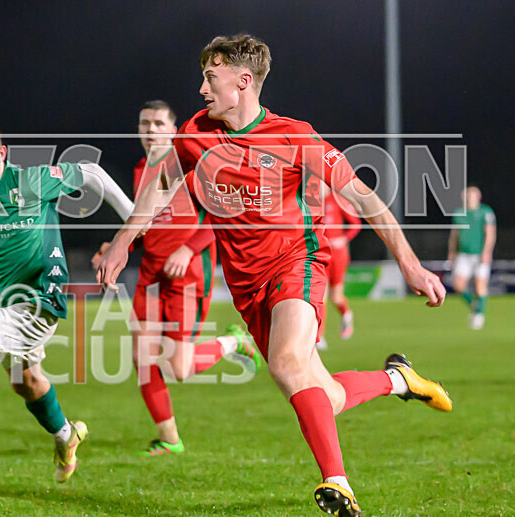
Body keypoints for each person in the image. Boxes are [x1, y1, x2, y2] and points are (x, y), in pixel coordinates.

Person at [97, 34, 451, 516]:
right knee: (324, 393)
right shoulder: (195, 133)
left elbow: (365, 198)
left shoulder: (295, 136)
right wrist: (122, 242)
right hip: (245, 285)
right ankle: (397, 379)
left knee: (286, 364)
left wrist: (409, 263)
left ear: (243, 82)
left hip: (298, 263)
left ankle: (338, 483)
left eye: (210, 77)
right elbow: (159, 189)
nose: (201, 89)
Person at [0, 115, 135, 494]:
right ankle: (67, 437)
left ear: (1, 153)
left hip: (39, 298)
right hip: (5, 305)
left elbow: (93, 173)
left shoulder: (31, 180)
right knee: (26, 382)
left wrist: (132, 224)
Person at [93, 100, 260, 456]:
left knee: (178, 368)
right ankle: (169, 438)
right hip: (151, 275)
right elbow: (148, 228)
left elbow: (225, 214)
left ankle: (233, 342)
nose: (150, 130)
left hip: (188, 277)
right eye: (144, 124)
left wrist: (188, 249)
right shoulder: (142, 169)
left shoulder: (193, 164)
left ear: (173, 130)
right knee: (142, 358)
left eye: (158, 124)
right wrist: (116, 247)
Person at [316, 188, 361, 349]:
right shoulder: (310, 200)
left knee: (336, 297)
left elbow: (355, 224)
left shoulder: (339, 200)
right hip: (319, 253)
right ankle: (319, 336)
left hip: (337, 254)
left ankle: (346, 314)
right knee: (321, 296)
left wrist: (343, 239)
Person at [448, 186, 496, 329]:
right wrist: (452, 251)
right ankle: (475, 306)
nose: (469, 198)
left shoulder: (485, 212)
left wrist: (487, 252)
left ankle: (479, 315)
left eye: (472, 195)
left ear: (478, 196)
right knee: (458, 286)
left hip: (480, 254)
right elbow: (454, 235)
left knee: (480, 286)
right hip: (463, 254)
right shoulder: (459, 213)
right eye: (467, 195)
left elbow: (490, 234)